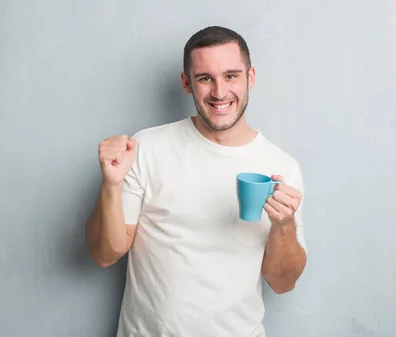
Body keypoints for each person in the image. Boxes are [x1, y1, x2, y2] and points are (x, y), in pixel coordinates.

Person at [86, 25, 307, 337]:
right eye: (206, 78)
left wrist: (284, 226)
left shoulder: (282, 167)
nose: (219, 92)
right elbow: (104, 254)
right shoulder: (147, 148)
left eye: (231, 75)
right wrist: (110, 185)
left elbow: (283, 283)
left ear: (250, 77)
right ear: (186, 83)